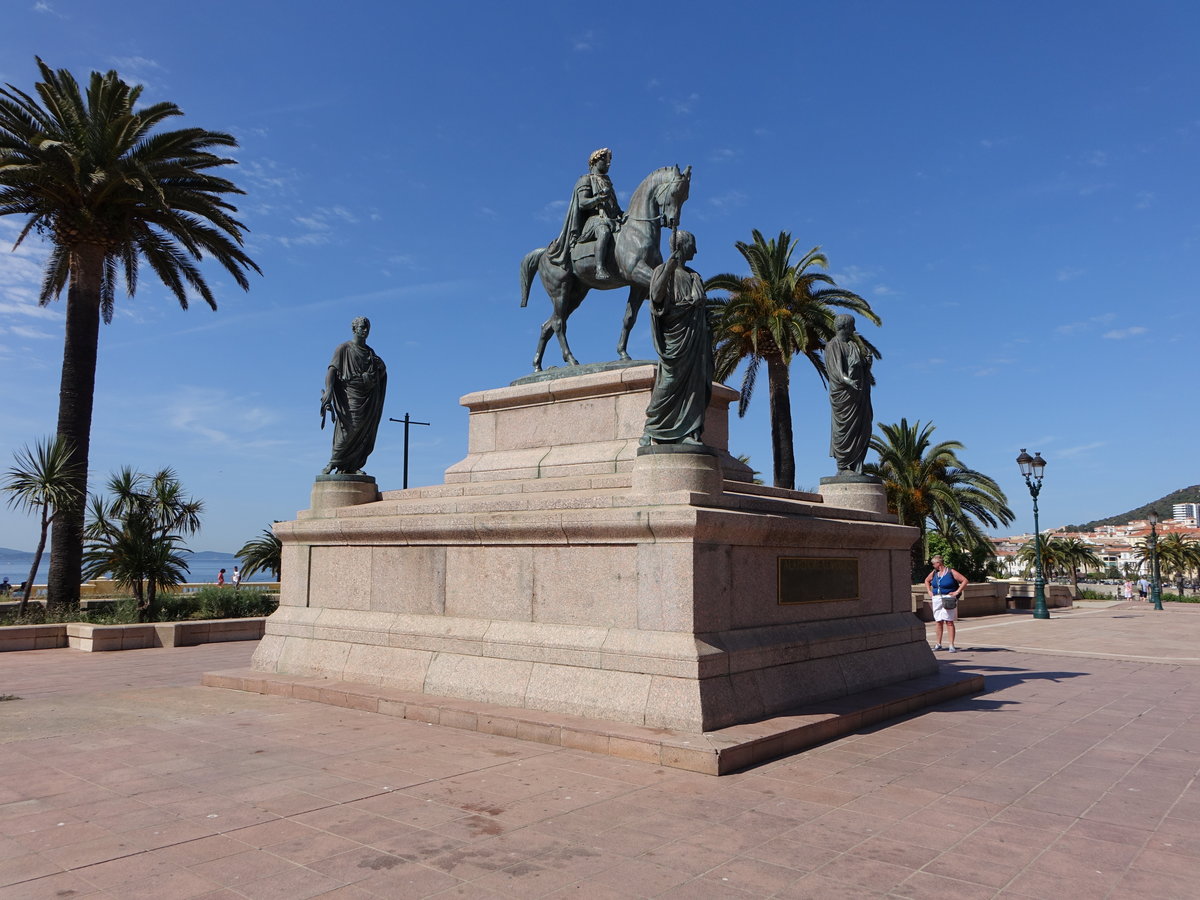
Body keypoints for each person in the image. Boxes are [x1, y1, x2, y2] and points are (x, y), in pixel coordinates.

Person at [640, 230, 713, 446]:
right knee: (668, 382)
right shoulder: (662, 271)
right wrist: (668, 268)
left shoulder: (694, 276)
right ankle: (651, 428)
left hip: (695, 341)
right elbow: (656, 297)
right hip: (675, 339)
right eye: (693, 245)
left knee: (694, 385)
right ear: (681, 247)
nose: (696, 250)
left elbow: (704, 311)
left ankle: (689, 431)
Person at [321, 317, 388, 475]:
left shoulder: (370, 352)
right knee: (350, 427)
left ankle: (352, 466)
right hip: (349, 395)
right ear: (354, 329)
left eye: (367, 328)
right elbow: (332, 370)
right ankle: (333, 462)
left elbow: (379, 373)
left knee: (363, 430)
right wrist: (329, 390)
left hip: (367, 396)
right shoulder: (343, 348)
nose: (365, 331)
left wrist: (381, 368)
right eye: (362, 327)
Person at [548, 147, 624, 280]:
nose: (608, 163)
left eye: (609, 160)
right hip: (593, 221)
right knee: (604, 231)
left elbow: (615, 208)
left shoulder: (608, 183)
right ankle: (600, 268)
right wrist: (599, 198)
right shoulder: (585, 180)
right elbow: (582, 203)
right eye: (604, 159)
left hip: (610, 219)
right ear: (594, 162)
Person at [825, 314, 873, 474]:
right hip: (843, 397)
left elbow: (859, 367)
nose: (855, 329)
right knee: (843, 430)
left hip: (859, 395)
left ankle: (857, 465)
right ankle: (843, 466)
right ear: (844, 327)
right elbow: (835, 372)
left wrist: (866, 363)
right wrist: (848, 381)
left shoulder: (853, 345)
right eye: (852, 326)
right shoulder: (832, 345)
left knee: (863, 427)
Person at [925, 555, 967, 652]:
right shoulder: (934, 573)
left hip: (948, 598)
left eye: (933, 563)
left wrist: (957, 592)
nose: (933, 565)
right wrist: (929, 591)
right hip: (937, 598)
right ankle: (938, 644)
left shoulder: (950, 572)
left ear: (938, 563)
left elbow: (964, 580)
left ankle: (951, 645)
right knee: (938, 621)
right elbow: (927, 580)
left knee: (949, 621)